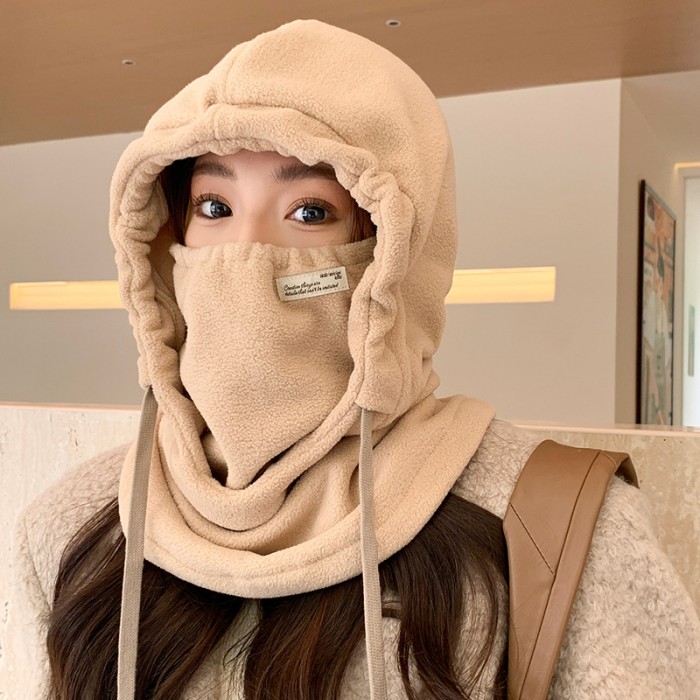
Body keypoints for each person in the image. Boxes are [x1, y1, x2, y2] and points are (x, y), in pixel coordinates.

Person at [7, 19, 700, 700]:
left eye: (309, 212)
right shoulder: (72, 534)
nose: (245, 252)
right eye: (214, 206)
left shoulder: (561, 534)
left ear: (400, 252)